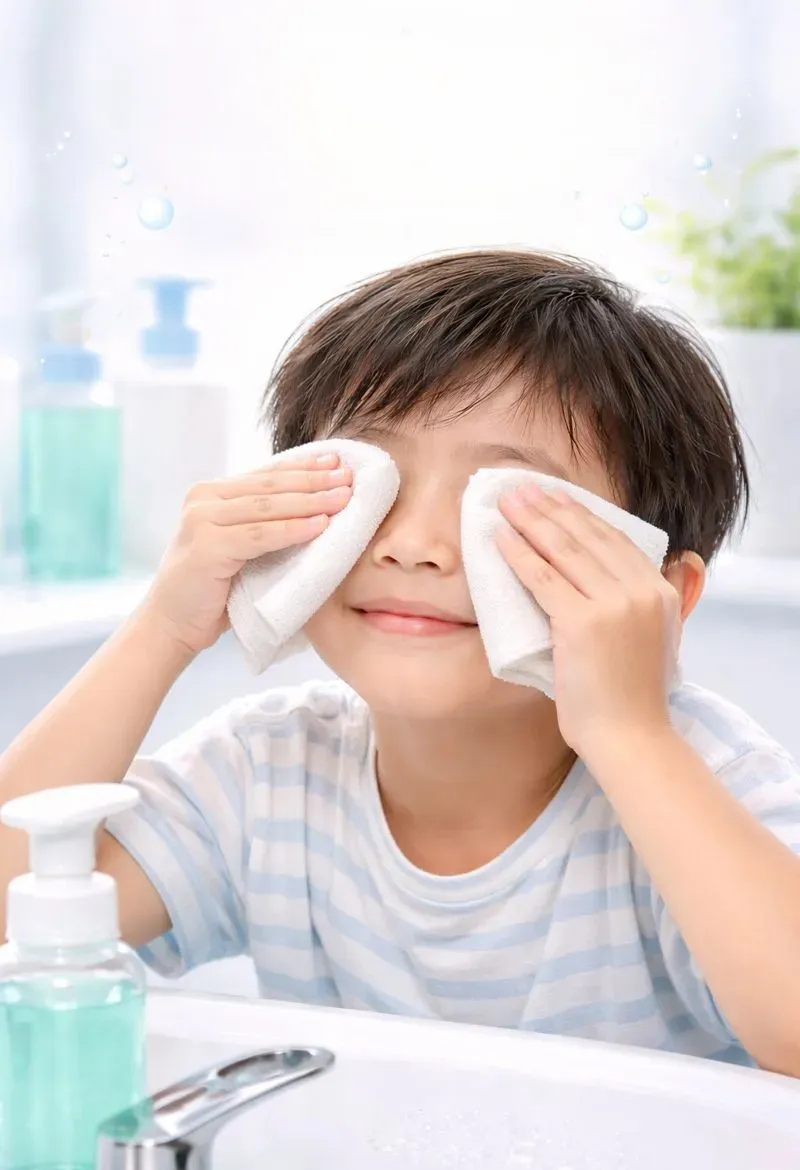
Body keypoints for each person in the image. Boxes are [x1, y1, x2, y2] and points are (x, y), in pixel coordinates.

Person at [3, 249, 800, 1074]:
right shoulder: (266, 776)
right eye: (370, 485)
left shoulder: (701, 779)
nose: (413, 547)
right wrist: (163, 628)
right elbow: (17, 913)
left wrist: (629, 732)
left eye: (500, 502)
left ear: (662, 590)